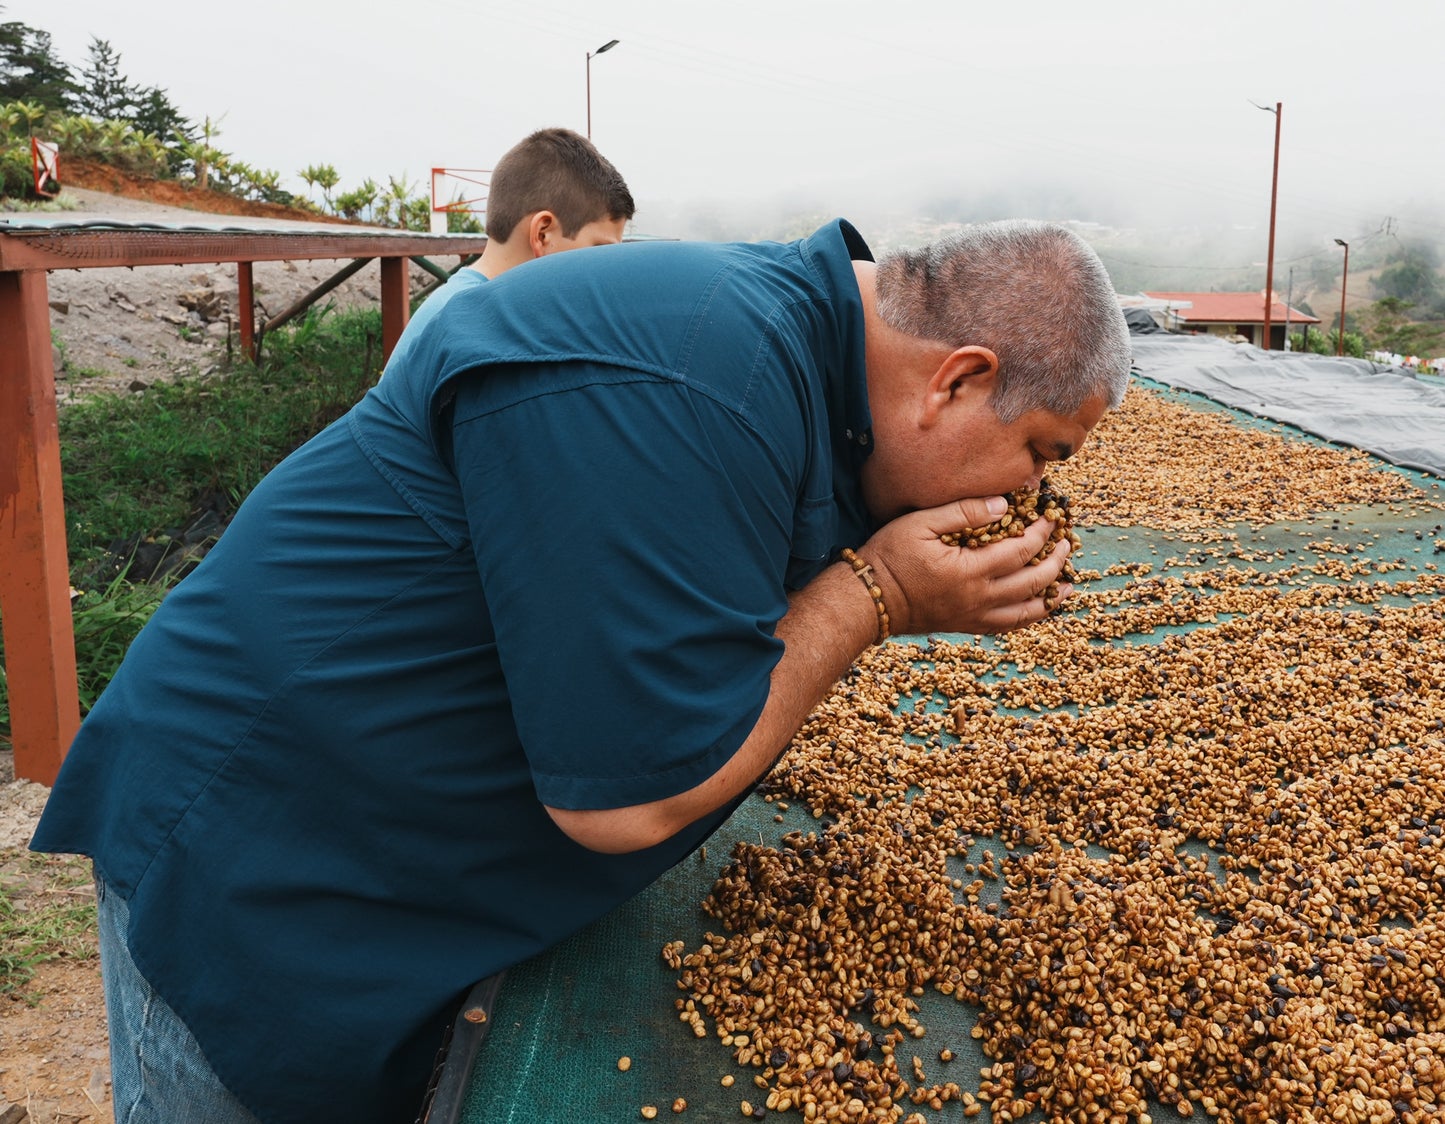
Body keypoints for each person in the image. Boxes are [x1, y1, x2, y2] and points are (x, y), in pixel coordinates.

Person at [32, 217, 1132, 1124]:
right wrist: (874, 595)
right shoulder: (696, 377)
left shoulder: (789, 367)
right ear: (956, 378)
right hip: (260, 835)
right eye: (1040, 451)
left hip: (371, 827)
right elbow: (628, 796)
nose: (1025, 494)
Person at [387, 125, 634, 369]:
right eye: (601, 251)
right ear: (543, 234)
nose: (606, 270)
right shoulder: (472, 324)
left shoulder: (471, 306)